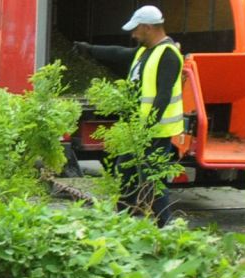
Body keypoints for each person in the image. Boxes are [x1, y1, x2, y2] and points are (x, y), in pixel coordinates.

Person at [75, 6, 184, 225]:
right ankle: (124, 222)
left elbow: (162, 97)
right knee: (126, 174)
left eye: (136, 30)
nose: (133, 35)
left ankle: (169, 227)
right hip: (136, 130)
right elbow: (119, 53)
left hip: (153, 133)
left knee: (152, 183)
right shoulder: (145, 51)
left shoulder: (168, 55)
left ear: (147, 27)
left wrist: (145, 131)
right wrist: (90, 49)